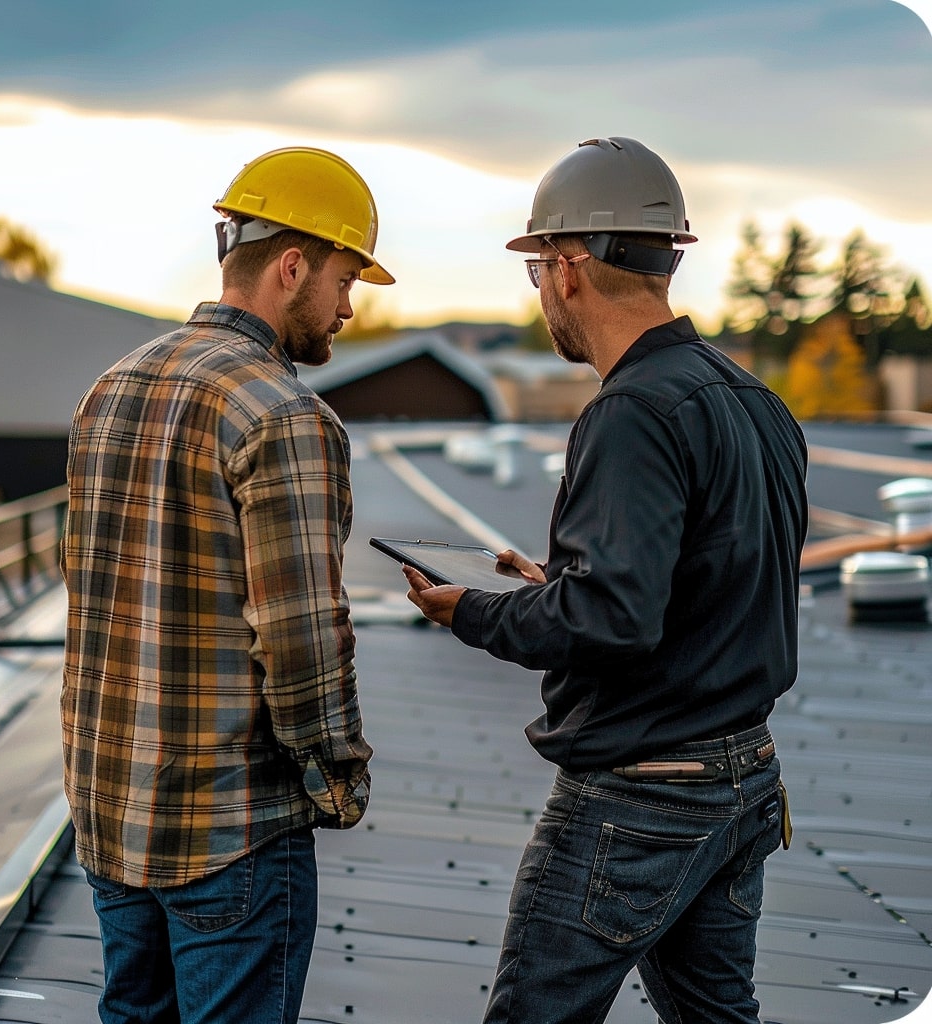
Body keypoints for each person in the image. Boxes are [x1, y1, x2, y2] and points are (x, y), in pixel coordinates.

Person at [403, 136, 808, 1024]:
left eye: (538, 270)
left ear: (570, 266)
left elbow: (612, 621)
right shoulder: (754, 402)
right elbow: (701, 588)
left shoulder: (630, 413)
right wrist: (558, 582)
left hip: (644, 792)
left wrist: (472, 609)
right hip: (742, 780)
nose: (541, 291)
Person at [60, 146, 393, 1024]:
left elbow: (93, 602)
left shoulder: (109, 388)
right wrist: (340, 782)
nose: (349, 308)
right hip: (229, 833)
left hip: (109, 817)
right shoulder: (284, 416)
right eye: (346, 278)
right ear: (293, 266)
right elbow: (304, 641)